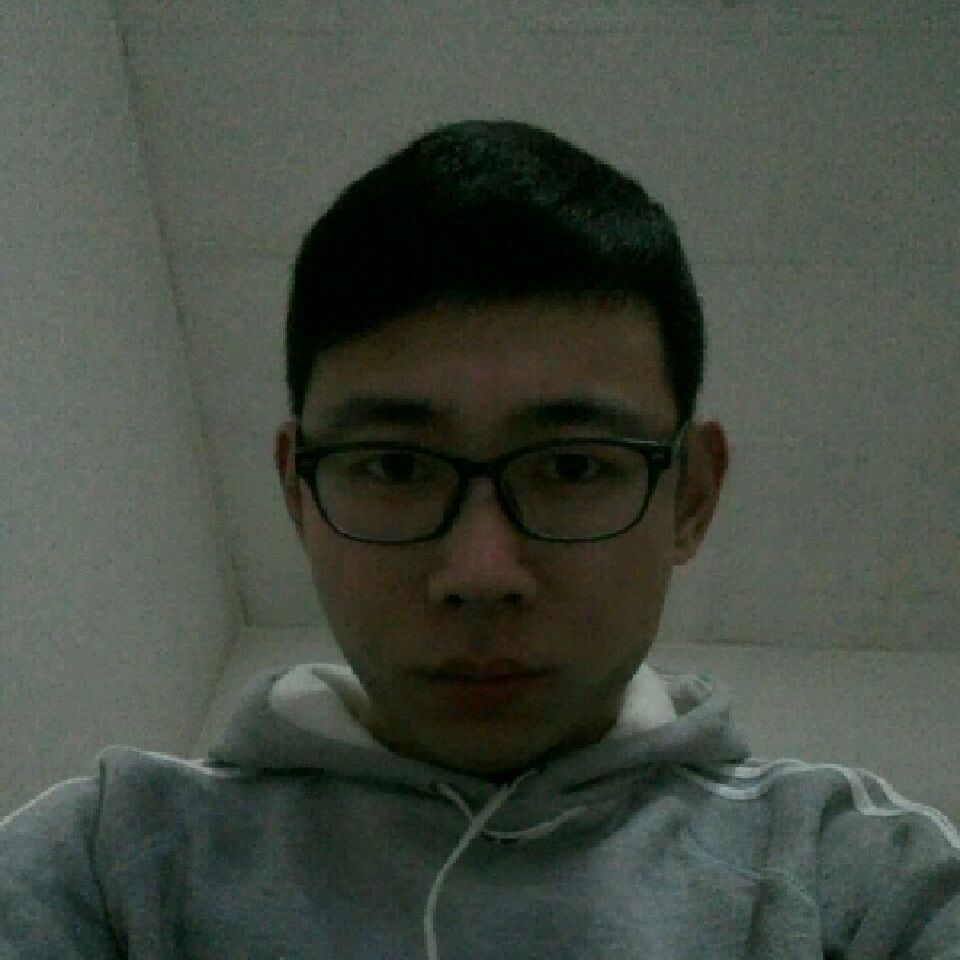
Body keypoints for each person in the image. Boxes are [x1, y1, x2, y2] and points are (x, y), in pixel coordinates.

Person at [2, 119, 957, 959]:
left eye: (572, 467)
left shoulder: (853, 869)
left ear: (691, 497)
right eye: (395, 467)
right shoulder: (107, 860)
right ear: (298, 493)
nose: (481, 573)